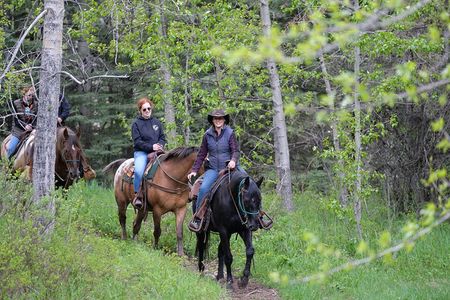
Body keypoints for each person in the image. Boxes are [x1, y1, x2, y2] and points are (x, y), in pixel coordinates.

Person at [187, 109, 244, 231]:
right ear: (212, 120)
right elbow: (202, 154)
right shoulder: (207, 135)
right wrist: (194, 170)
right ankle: (198, 219)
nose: (218, 120)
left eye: (220, 118)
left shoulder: (230, 133)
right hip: (213, 168)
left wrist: (233, 160)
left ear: (224, 120)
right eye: (215, 118)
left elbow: (235, 150)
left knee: (248, 182)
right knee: (203, 189)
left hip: (229, 167)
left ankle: (257, 216)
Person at [131, 97, 166, 209]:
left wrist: (160, 145)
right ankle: (138, 195)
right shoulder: (136, 124)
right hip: (142, 152)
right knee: (139, 171)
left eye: (149, 108)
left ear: (151, 109)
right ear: (140, 110)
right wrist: (151, 146)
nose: (147, 111)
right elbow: (137, 142)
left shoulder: (157, 123)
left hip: (157, 152)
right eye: (144, 109)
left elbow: (162, 137)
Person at [6, 86, 38, 158]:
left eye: (32, 95)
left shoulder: (36, 104)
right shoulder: (16, 103)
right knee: (11, 148)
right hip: (19, 129)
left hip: (33, 129)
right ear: (24, 94)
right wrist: (25, 126)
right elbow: (16, 120)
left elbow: (37, 118)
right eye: (29, 95)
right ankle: (7, 165)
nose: (31, 97)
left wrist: (33, 127)